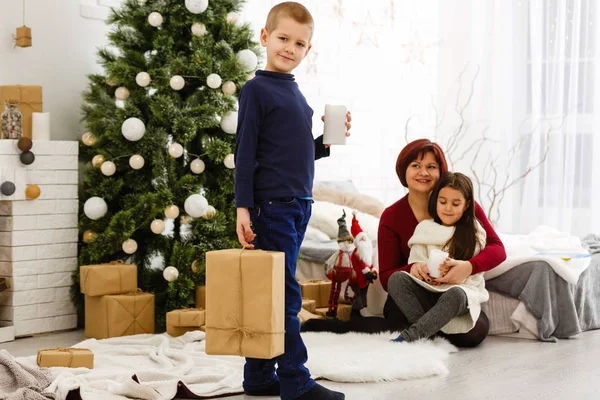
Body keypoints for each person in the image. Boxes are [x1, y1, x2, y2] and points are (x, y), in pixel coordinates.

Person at [234, 3, 350, 399]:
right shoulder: (256, 90)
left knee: (273, 290)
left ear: (308, 49)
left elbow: (296, 153)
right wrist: (243, 207)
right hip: (274, 207)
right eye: (283, 38)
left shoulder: (295, 91)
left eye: (299, 43)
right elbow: (245, 152)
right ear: (265, 38)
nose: (289, 47)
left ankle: (258, 376)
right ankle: (295, 381)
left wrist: (325, 143)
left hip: (299, 203)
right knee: (286, 293)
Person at [303, 139, 506, 348]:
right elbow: (387, 277)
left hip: (452, 293)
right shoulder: (392, 216)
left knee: (476, 332)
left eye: (431, 167)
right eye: (416, 166)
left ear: (441, 171)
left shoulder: (460, 203)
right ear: (404, 171)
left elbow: (497, 248)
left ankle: (422, 331)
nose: (423, 172)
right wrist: (415, 268)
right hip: (413, 298)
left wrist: (468, 267)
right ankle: (421, 329)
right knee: (399, 314)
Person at [390, 171, 489, 343]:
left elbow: (474, 277)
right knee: (396, 279)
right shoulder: (425, 228)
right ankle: (429, 332)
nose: (448, 208)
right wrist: (423, 271)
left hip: (456, 295)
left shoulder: (474, 232)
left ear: (466, 205)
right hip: (429, 292)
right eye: (443, 202)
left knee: (456, 294)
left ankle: (412, 336)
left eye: (456, 204)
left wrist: (454, 273)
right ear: (435, 201)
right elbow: (416, 262)